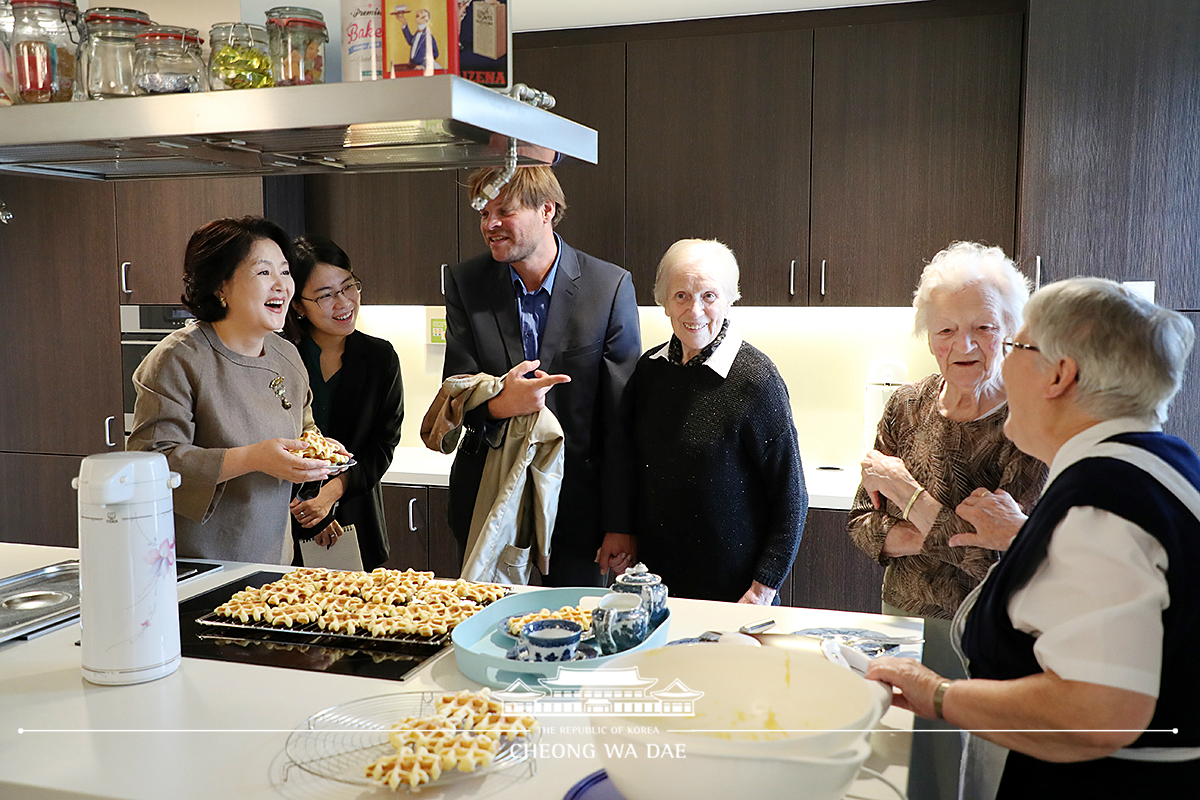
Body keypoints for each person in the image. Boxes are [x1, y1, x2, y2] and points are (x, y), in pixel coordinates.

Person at [867, 277, 1200, 799]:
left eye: (1014, 344)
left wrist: (937, 694)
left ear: (1060, 375)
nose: (998, 360)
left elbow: (1098, 714)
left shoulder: (1101, 502)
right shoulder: (1157, 465)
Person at [847, 241, 1048, 800]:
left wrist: (909, 498)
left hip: (985, 633)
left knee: (972, 777)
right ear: (927, 337)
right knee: (908, 771)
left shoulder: (1027, 422)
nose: (963, 345)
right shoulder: (906, 407)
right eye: (944, 330)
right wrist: (939, 530)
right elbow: (861, 525)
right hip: (902, 622)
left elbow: (998, 556)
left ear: (1010, 329)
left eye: (982, 327)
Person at [442, 165, 641, 586]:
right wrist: (500, 405)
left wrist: (620, 522)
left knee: (574, 637)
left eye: (504, 212)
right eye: (483, 213)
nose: (490, 225)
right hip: (487, 500)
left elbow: (622, 421)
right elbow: (455, 392)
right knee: (486, 634)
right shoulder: (466, 283)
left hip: (578, 510)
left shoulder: (609, 287)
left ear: (546, 210)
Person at [127, 217, 337, 565]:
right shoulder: (177, 359)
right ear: (220, 286)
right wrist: (253, 458)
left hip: (273, 559)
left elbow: (304, 429)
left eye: (285, 272)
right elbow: (154, 462)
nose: (281, 286)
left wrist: (320, 449)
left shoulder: (286, 355)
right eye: (263, 273)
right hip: (198, 564)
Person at [626, 239, 807, 604]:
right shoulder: (648, 372)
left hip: (734, 592)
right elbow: (629, 465)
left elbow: (792, 496)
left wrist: (763, 588)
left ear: (728, 300)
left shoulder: (757, 380)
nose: (695, 310)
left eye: (709, 296)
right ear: (664, 302)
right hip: (654, 587)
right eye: (681, 296)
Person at [283, 234, 404, 571]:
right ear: (297, 305)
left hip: (356, 521)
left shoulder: (380, 358)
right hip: (283, 525)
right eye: (325, 295)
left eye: (348, 286)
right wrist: (308, 506)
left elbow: (383, 444)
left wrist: (331, 493)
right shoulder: (280, 355)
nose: (344, 302)